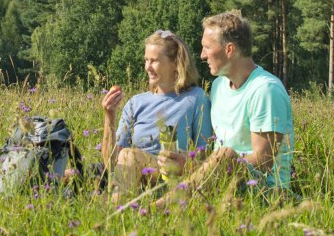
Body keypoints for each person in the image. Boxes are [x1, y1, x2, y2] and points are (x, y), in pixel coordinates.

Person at [160, 10, 294, 192]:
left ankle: (166, 203)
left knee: (226, 154)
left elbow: (264, 162)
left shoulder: (265, 90)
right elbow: (216, 151)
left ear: (229, 49)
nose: (202, 55)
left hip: (264, 191)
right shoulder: (218, 86)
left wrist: (209, 164)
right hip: (221, 181)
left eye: (207, 47)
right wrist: (189, 162)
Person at [101, 29, 212, 197]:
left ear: (175, 63)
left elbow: (204, 154)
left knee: (129, 155)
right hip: (133, 176)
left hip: (173, 176)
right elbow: (111, 162)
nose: (147, 67)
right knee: (125, 156)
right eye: (146, 60)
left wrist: (184, 161)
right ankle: (119, 206)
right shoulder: (136, 103)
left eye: (154, 61)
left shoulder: (195, 98)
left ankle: (116, 209)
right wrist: (109, 115)